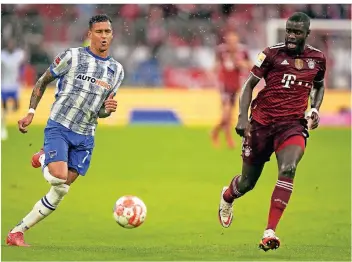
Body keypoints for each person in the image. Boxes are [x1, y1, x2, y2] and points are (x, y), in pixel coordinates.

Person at [6, 14, 124, 247]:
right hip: (60, 125)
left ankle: (17, 232)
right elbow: (43, 81)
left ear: (112, 35)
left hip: (86, 135)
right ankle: (42, 158)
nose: (103, 36)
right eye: (98, 32)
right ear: (89, 34)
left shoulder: (116, 70)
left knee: (61, 189)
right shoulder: (72, 56)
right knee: (58, 177)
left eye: (107, 32)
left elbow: (101, 111)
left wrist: (107, 110)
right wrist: (31, 112)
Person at [217, 12, 325, 251]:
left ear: (307, 34)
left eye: (297, 32)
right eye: (289, 30)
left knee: (289, 167)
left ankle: (269, 231)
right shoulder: (270, 54)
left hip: (292, 125)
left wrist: (315, 109)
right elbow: (248, 85)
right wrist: (242, 118)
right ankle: (227, 197)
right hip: (261, 124)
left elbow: (319, 85)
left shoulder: (317, 59)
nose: (291, 36)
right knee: (247, 183)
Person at [211, 31, 251, 149]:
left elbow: (250, 65)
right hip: (224, 86)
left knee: (229, 115)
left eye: (234, 41)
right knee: (226, 113)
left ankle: (215, 132)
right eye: (230, 41)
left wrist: (242, 64)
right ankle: (227, 138)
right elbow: (215, 66)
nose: (232, 44)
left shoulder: (242, 52)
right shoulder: (222, 51)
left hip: (235, 86)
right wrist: (216, 69)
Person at [1, 39, 26, 140]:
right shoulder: (2, 56)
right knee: (4, 109)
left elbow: (23, 62)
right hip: (4, 85)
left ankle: (18, 125)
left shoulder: (18, 55)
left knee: (16, 107)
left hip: (15, 85)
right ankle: (3, 128)